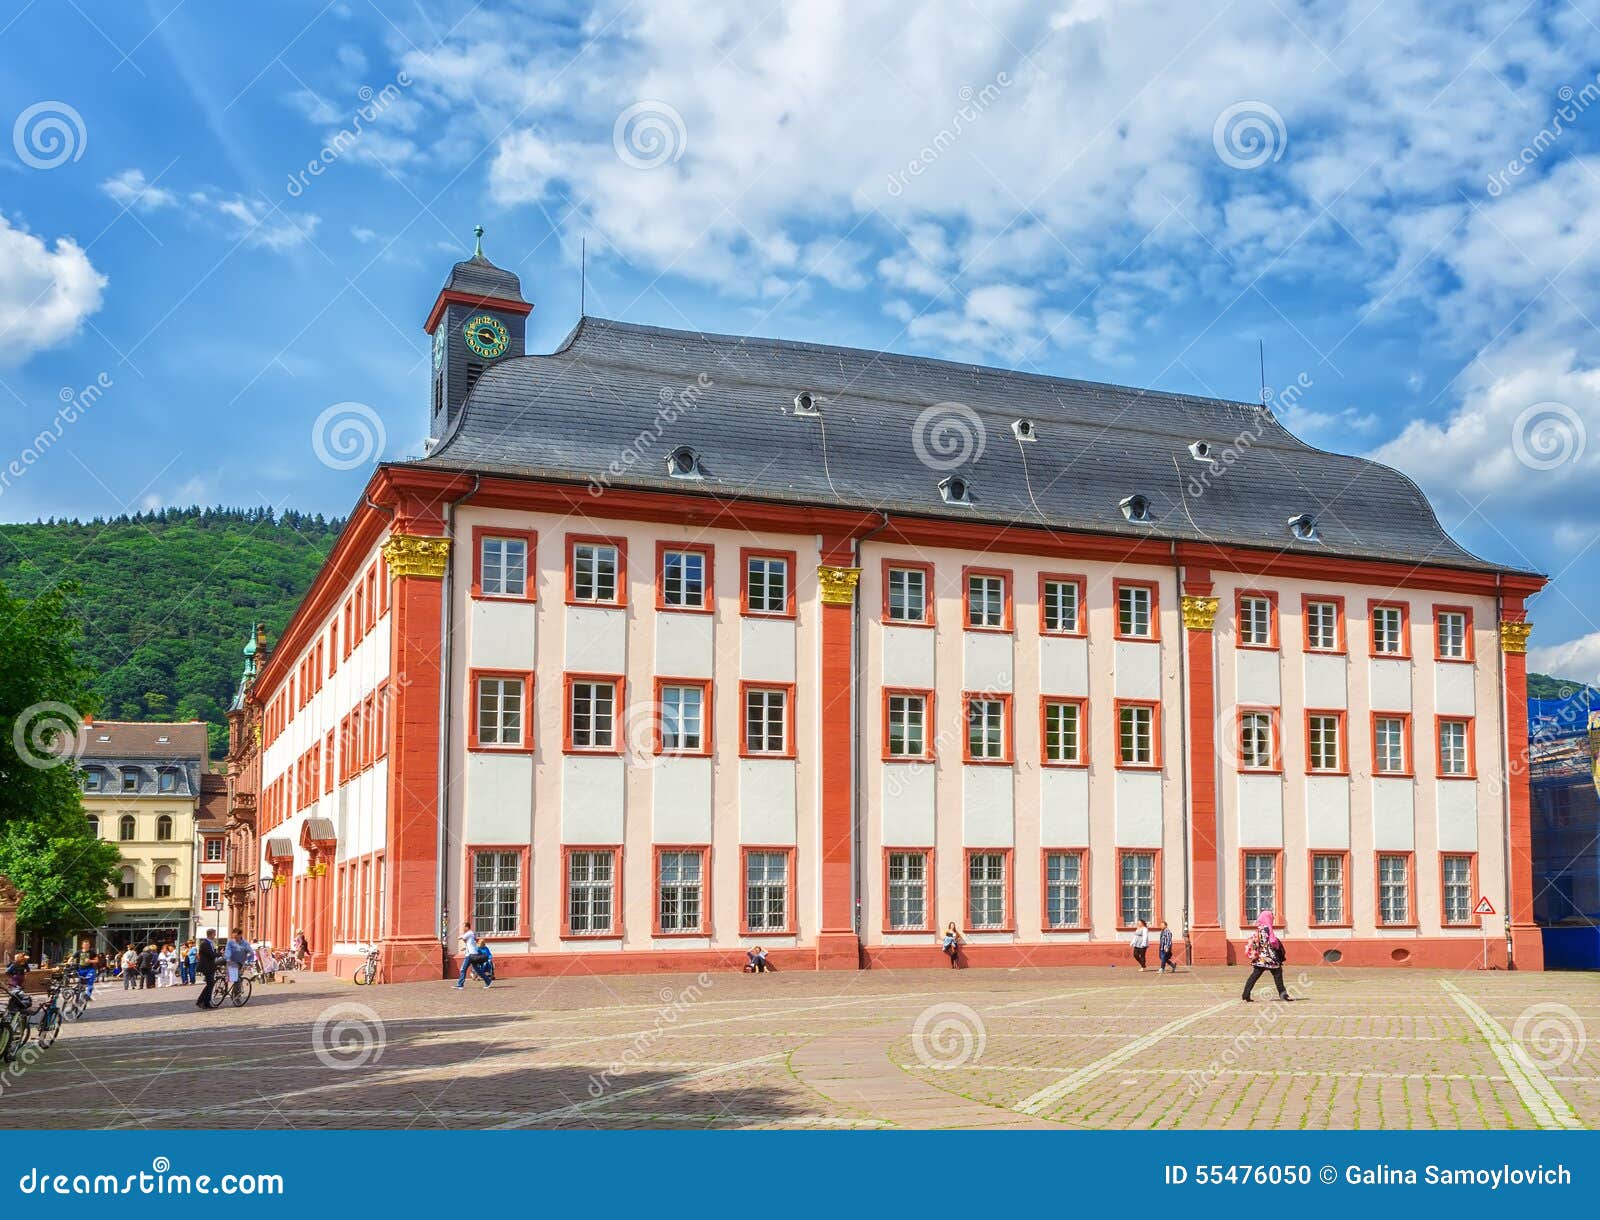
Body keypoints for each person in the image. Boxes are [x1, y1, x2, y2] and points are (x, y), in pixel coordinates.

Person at [1241, 910, 1293, 1002]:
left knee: (1254, 976)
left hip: (1260, 958)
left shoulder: (1259, 928)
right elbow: (1273, 942)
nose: (1272, 918)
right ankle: (1283, 995)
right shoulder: (1268, 928)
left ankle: (1246, 994)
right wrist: (1277, 944)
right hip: (1270, 957)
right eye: (1271, 917)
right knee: (1278, 974)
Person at [455, 922, 490, 988]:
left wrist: (460, 937)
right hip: (473, 954)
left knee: (463, 969)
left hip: (470, 955)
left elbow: (460, 938)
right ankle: (488, 981)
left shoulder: (469, 933)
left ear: (467, 927)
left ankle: (460, 985)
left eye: (463, 927)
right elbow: (466, 941)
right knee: (477, 970)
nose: (463, 928)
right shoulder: (471, 934)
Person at [223, 928, 250, 996]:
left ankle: (236, 994)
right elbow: (228, 951)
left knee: (238, 978)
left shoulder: (245, 943)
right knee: (234, 977)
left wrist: (247, 958)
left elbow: (250, 952)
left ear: (240, 935)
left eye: (236, 937)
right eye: (233, 937)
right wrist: (228, 958)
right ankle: (227, 989)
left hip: (240, 962)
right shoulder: (230, 942)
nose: (235, 938)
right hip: (231, 961)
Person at [195, 929, 218, 1009]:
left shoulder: (210, 943)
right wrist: (219, 954)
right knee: (210, 984)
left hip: (210, 966)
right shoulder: (205, 944)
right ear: (211, 934)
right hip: (206, 967)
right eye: (214, 934)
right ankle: (201, 1001)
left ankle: (206, 1002)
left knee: (210, 985)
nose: (215, 935)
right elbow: (211, 955)